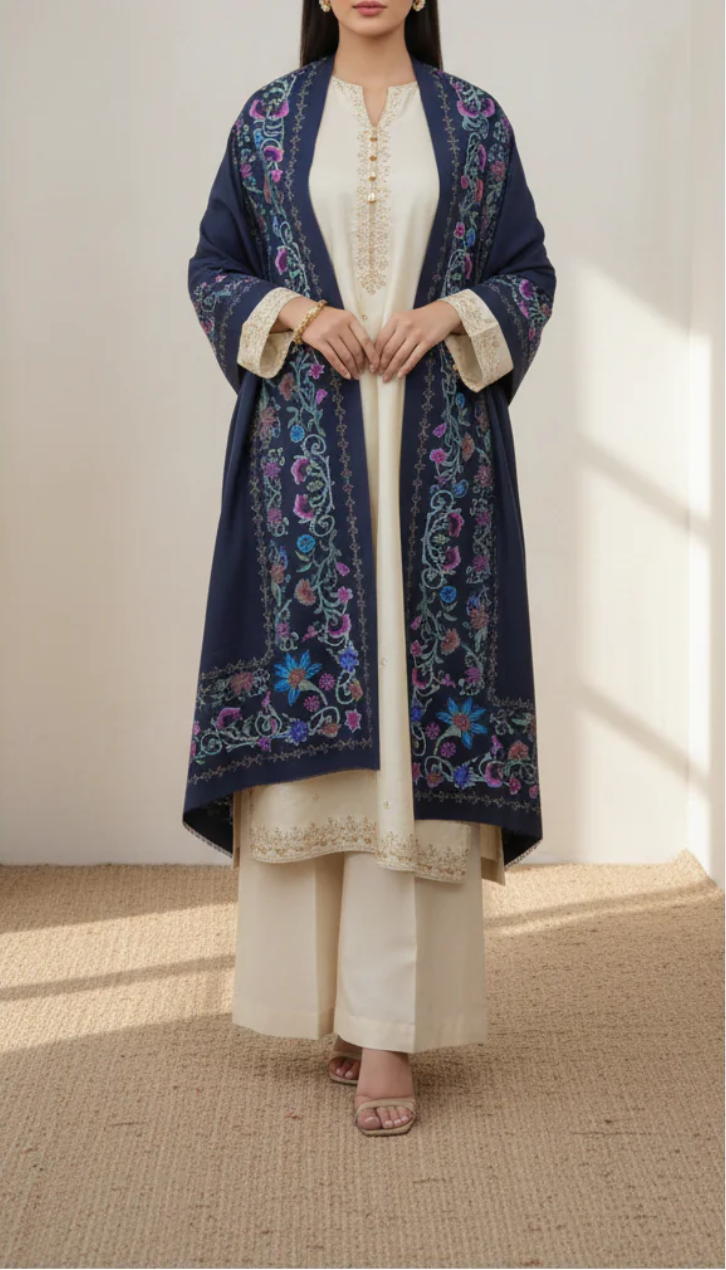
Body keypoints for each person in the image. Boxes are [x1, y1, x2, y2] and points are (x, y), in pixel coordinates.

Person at [184, 0, 556, 1136]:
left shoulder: (475, 123)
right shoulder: (268, 122)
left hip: (438, 464)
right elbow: (213, 270)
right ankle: (336, 1008)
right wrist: (302, 313)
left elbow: (530, 276)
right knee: (329, 739)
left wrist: (445, 314)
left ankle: (389, 1024)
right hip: (306, 469)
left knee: (410, 735)